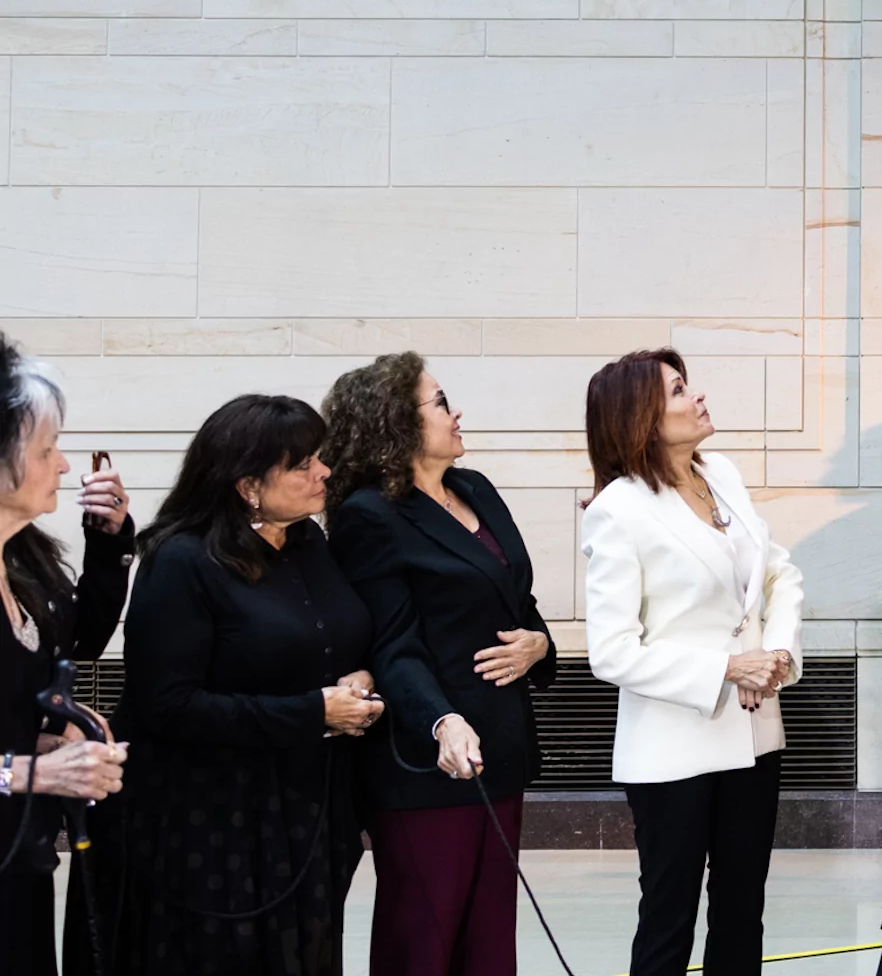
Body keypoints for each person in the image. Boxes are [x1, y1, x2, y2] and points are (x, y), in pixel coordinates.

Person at [104, 395, 384, 976]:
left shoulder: (308, 542)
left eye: (320, 459)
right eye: (303, 465)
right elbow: (167, 705)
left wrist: (358, 675)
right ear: (247, 485)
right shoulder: (181, 560)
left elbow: (332, 638)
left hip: (307, 804)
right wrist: (313, 712)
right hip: (211, 820)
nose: (324, 472)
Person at [322, 354, 558, 976]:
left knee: (488, 944)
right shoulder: (369, 515)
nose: (457, 413)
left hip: (499, 747)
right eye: (440, 402)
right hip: (428, 758)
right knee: (423, 941)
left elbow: (520, 602)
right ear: (395, 422)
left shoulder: (475, 487)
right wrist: (441, 722)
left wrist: (540, 644)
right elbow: (391, 645)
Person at [582, 350, 804, 976]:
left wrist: (779, 653)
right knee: (668, 917)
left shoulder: (723, 473)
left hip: (755, 737)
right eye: (679, 391)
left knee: (742, 908)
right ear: (643, 419)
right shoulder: (618, 510)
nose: (697, 397)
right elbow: (613, 651)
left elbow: (778, 573)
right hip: (671, 747)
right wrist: (730, 669)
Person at [0, 341, 130, 976]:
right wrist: (32, 772)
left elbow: (76, 643)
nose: (64, 464)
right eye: (47, 450)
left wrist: (56, 741)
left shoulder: (23, 566)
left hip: (18, 860)